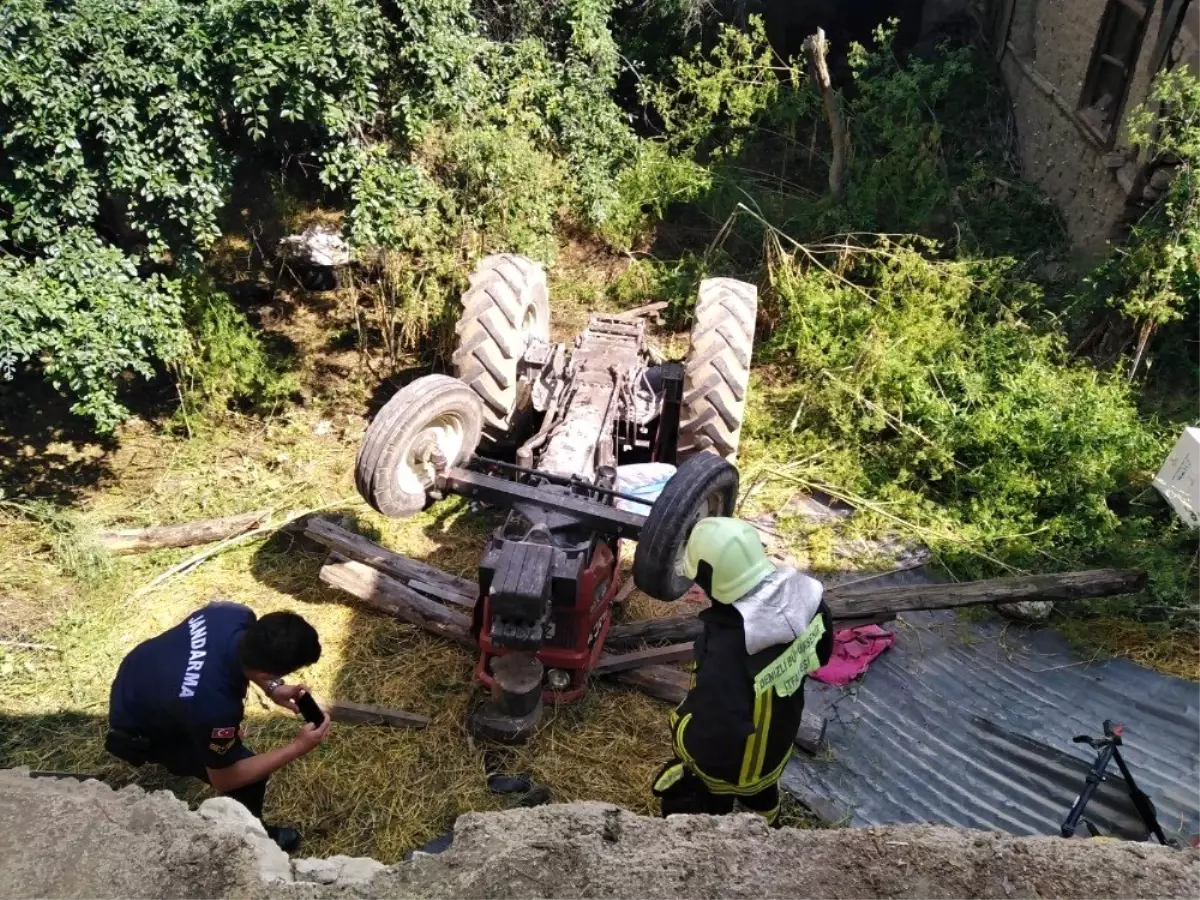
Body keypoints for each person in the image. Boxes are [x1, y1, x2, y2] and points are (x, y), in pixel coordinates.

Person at [105, 600, 329, 852]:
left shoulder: (232, 614)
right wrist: (298, 746)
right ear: (267, 671)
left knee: (222, 740)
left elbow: (243, 655)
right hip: (138, 726)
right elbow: (225, 778)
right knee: (249, 781)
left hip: (140, 674)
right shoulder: (215, 709)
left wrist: (273, 688)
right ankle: (249, 838)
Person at [652, 517, 833, 826]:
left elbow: (718, 727)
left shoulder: (728, 648)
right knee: (763, 795)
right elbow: (822, 652)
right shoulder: (808, 600)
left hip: (730, 767)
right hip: (780, 739)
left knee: (706, 809)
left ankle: (716, 833)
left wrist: (683, 738)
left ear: (710, 579)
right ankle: (771, 825)